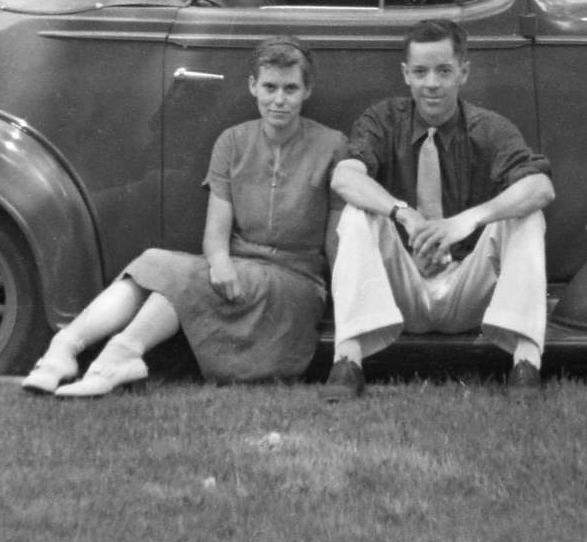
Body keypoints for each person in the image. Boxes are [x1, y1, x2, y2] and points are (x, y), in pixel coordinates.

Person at [22, 38, 345, 396]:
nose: (279, 100)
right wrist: (220, 262)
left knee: (182, 278)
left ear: (307, 90)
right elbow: (216, 233)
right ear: (253, 86)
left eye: (290, 89)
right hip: (234, 272)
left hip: (294, 283)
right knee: (154, 263)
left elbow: (336, 241)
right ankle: (65, 349)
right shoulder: (232, 142)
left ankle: (121, 353)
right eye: (269, 87)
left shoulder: (331, 145)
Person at [321, 18, 554, 401]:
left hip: (466, 288)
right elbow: (344, 178)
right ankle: (347, 361)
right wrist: (403, 213)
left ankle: (526, 364)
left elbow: (540, 187)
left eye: (443, 70)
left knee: (528, 214)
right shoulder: (383, 119)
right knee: (356, 212)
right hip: (402, 289)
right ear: (406, 75)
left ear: (463, 72)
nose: (432, 83)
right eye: (421, 71)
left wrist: (466, 221)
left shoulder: (489, 128)